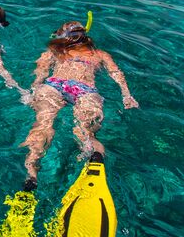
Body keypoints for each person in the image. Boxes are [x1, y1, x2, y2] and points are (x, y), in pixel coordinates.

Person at [19, 18, 138, 190]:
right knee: (85, 133)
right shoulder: (100, 54)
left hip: (54, 86)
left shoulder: (54, 50)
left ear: (63, 36)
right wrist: (127, 95)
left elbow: (41, 72)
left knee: (43, 126)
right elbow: (116, 74)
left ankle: (31, 175)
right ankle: (94, 163)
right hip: (85, 90)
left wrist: (32, 90)